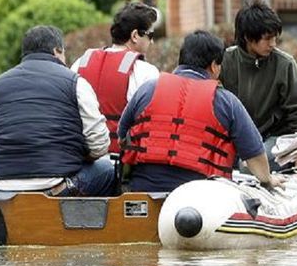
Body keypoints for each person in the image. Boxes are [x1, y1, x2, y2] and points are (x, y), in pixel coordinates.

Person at [117, 30, 283, 193]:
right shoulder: (226, 101)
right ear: (213, 66)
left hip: (144, 189)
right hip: (200, 199)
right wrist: (267, 179)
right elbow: (254, 153)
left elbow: (122, 135)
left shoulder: (147, 89)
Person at [0, 25, 115, 197]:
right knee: (107, 168)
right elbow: (100, 145)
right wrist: (79, 156)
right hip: (57, 187)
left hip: (5, 187)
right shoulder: (76, 82)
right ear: (57, 50)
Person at [219, 1, 297, 163]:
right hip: (233, 138)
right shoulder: (225, 61)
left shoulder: (284, 64)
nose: (273, 44)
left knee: (251, 165)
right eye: (267, 39)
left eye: (275, 38)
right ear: (248, 37)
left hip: (274, 140)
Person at [71, 2, 160, 157]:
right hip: (120, 162)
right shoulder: (146, 72)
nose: (152, 41)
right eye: (150, 35)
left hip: (80, 159)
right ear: (134, 36)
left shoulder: (80, 63)